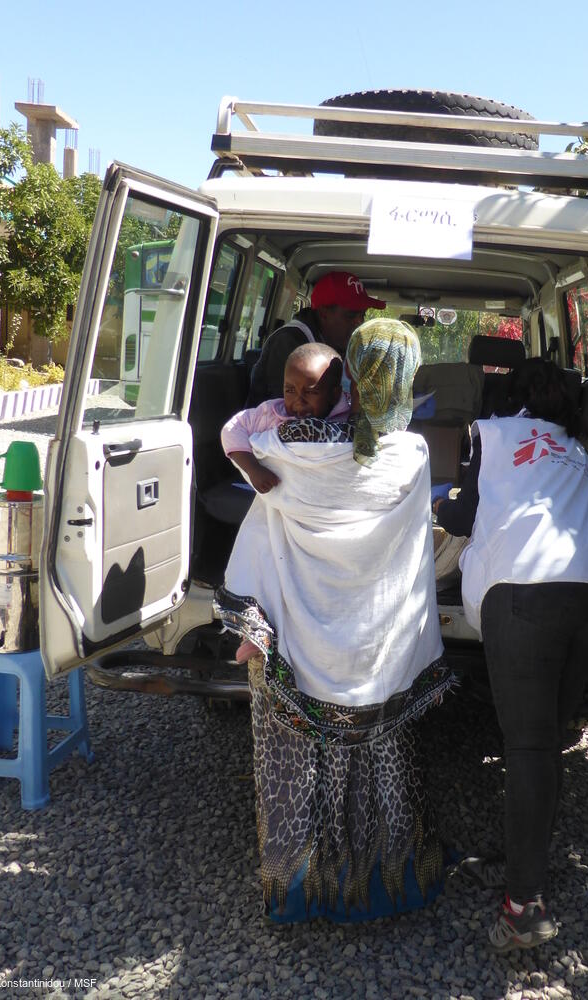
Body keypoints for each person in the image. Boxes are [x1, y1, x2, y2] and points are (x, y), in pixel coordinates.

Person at [215, 318, 454, 923]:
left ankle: (298, 888)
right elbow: (414, 545)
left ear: (347, 378)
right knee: (381, 758)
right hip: (377, 650)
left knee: (295, 764)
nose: (295, 400)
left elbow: (240, 449)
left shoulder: (279, 445)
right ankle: (388, 878)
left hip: (295, 642)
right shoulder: (413, 455)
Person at [435, 357, 588, 952]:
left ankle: (523, 907)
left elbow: (465, 513)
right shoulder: (585, 460)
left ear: (508, 396)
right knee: (546, 740)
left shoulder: (491, 433)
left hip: (526, 594)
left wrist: (441, 509)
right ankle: (525, 868)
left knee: (530, 747)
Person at [221, 342, 350, 494]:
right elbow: (232, 429)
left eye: (311, 392)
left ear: (334, 394)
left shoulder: (349, 419)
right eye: (290, 390)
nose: (298, 401)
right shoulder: (271, 412)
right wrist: (253, 469)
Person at [245, 271, 386, 407]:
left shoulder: (339, 344)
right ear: (324, 313)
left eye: (362, 315)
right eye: (350, 316)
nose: (359, 323)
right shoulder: (289, 342)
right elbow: (290, 413)